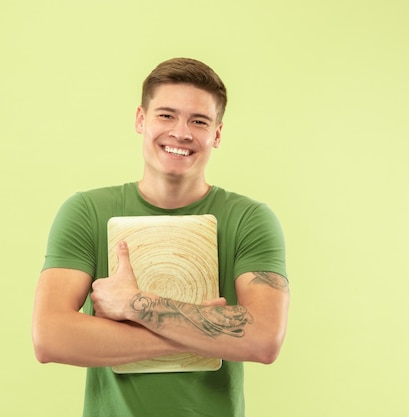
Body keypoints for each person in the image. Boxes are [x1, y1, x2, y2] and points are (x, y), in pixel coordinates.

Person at [32, 57, 290, 417]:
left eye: (198, 121)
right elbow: (50, 336)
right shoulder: (86, 211)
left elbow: (263, 339)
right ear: (141, 119)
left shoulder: (250, 219)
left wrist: (136, 305)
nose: (181, 132)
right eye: (166, 115)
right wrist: (201, 329)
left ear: (217, 133)